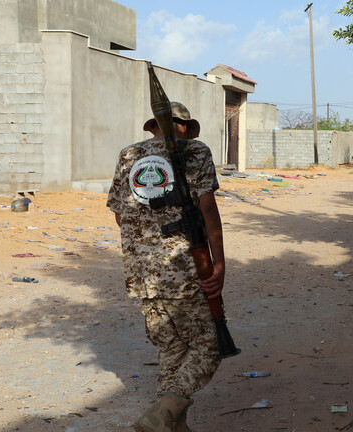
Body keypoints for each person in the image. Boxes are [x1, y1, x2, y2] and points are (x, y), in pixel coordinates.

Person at [107, 102, 225, 432]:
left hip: (142, 273)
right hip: (183, 270)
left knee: (172, 350)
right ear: (183, 127)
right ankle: (162, 414)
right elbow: (208, 210)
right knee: (210, 346)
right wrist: (219, 263)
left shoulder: (129, 155)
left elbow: (119, 214)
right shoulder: (195, 151)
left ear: (153, 127)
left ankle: (171, 426)